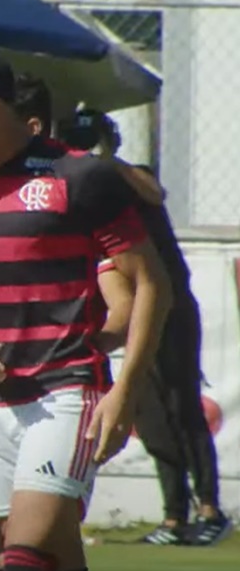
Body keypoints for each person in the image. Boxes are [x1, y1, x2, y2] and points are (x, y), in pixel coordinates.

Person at [0, 50, 171, 571]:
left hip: (66, 393)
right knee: (23, 569)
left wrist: (125, 391)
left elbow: (152, 286)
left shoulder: (79, 177)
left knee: (27, 557)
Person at [59, 109, 230, 547]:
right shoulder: (80, 187)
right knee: (150, 412)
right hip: (133, 307)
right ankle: (174, 515)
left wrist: (108, 161)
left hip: (169, 304)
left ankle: (209, 508)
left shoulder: (131, 177)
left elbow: (155, 192)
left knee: (181, 402)